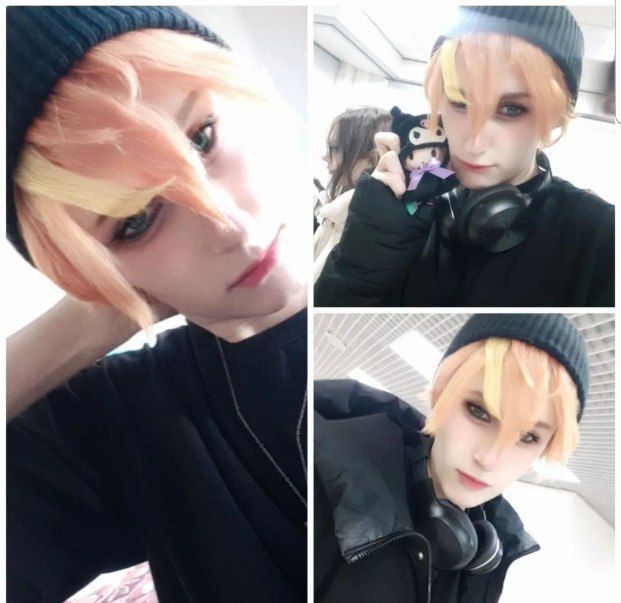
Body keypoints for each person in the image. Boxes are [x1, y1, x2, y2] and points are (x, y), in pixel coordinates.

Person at [6, 7, 306, 602]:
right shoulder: (126, 420)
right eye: (137, 221)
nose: (231, 226)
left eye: (202, 138)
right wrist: (91, 314)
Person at [315, 6, 614, 307]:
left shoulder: (602, 236)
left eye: (512, 109)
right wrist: (367, 254)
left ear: (554, 118)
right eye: (460, 102)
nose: (474, 141)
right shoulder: (408, 205)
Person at [315, 313, 588, 602]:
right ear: (441, 393)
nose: (489, 459)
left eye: (527, 437)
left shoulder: (487, 552)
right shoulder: (319, 485)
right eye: (478, 411)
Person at [313, 107, 391, 282]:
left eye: (334, 148)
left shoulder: (363, 226)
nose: (325, 156)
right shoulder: (338, 210)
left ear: (370, 160)